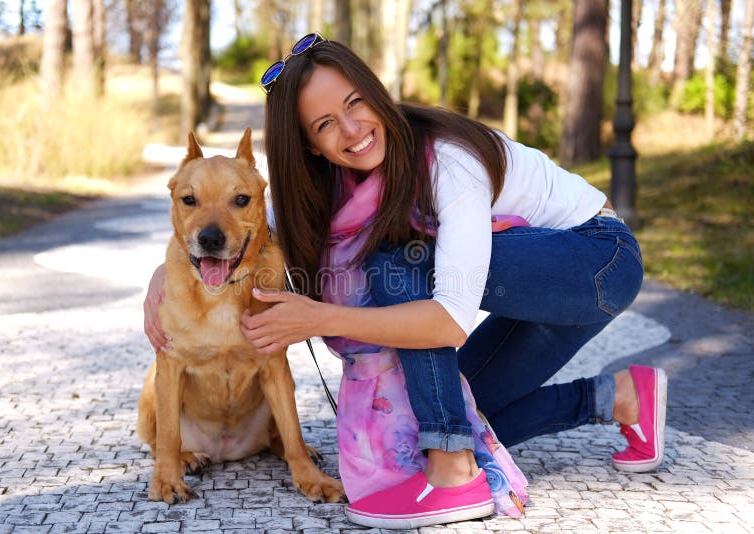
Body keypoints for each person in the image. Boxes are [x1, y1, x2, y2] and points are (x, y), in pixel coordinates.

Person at [144, 34, 668, 529]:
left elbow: (449, 320)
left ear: (376, 92)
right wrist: (167, 273)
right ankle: (620, 398)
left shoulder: (447, 161)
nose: (350, 130)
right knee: (443, 414)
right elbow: (245, 229)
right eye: (325, 124)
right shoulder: (335, 184)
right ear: (309, 146)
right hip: (537, 283)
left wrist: (321, 317)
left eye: (355, 103)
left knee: (397, 260)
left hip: (595, 260)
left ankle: (453, 473)